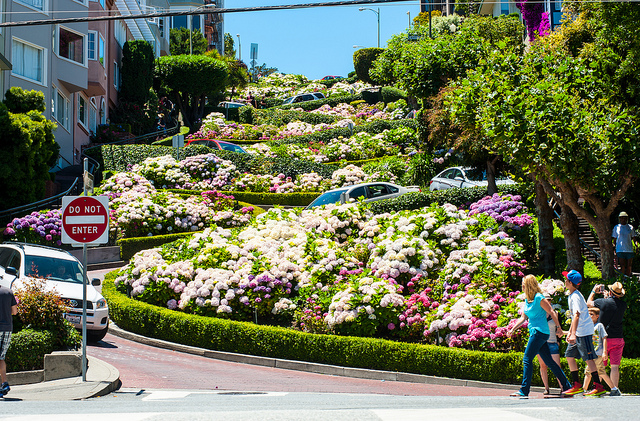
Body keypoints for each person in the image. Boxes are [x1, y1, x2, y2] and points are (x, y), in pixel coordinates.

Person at [508, 275, 571, 398]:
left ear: (528, 285)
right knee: (549, 362)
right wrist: (512, 329)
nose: (522, 286)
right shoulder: (528, 300)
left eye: (523, 284)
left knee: (527, 359)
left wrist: (558, 328)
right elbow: (523, 318)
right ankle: (567, 386)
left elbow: (551, 312)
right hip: (535, 332)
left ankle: (524, 390)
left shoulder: (539, 298)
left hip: (540, 332)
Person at [562, 270, 606, 396]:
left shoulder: (575, 296)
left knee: (589, 359)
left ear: (570, 282)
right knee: (569, 355)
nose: (565, 281)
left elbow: (576, 315)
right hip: (578, 332)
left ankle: (598, 386)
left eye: (566, 279)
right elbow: (573, 316)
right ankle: (576, 385)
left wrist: (573, 333)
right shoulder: (572, 295)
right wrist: (571, 332)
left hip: (584, 332)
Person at [587, 281, 626, 396]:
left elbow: (588, 303)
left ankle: (598, 388)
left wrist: (594, 291)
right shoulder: (623, 305)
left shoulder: (602, 302)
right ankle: (614, 389)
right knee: (615, 366)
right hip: (618, 338)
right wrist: (608, 298)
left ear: (610, 291)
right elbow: (613, 305)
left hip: (604, 339)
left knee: (600, 366)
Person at [583, 307, 614, 392]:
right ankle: (614, 388)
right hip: (590, 353)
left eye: (592, 314)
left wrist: (604, 351)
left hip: (598, 352)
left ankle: (584, 389)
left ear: (597, 316)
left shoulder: (599, 326)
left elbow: (604, 338)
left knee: (589, 371)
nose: (589, 316)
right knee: (600, 372)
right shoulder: (587, 326)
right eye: (588, 314)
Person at [537, 299, 563, 394]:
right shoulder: (539, 314)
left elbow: (559, 328)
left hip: (553, 342)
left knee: (557, 366)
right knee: (543, 366)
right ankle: (546, 388)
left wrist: (558, 341)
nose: (548, 302)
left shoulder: (555, 314)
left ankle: (562, 387)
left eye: (549, 300)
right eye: (546, 300)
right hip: (541, 343)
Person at [0, 284, 18, 397]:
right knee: (1, 357)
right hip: (7, 329)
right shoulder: (8, 292)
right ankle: (4, 383)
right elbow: (15, 312)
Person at [612, 211, 638, 277]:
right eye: (622, 218)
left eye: (625, 218)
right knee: (622, 266)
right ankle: (622, 279)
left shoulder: (630, 227)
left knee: (629, 266)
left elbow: (634, 238)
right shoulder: (616, 227)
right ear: (619, 219)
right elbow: (614, 239)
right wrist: (614, 249)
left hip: (629, 249)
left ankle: (628, 279)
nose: (623, 219)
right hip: (620, 249)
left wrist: (636, 246)